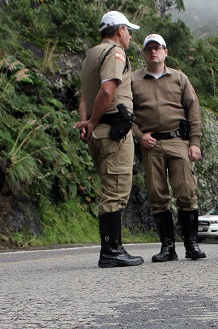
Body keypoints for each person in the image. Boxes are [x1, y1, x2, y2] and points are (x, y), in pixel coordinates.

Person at [73, 11, 143, 268]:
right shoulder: (115, 52)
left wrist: (87, 123)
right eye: (129, 31)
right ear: (119, 30)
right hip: (113, 131)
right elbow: (106, 89)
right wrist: (91, 122)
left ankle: (113, 248)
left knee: (108, 187)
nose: (130, 36)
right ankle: (111, 250)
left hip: (98, 132)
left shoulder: (91, 54)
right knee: (115, 191)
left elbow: (84, 97)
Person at [131, 34, 206, 262]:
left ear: (165, 52)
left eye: (158, 48)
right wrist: (139, 136)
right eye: (149, 49)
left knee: (186, 192)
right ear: (144, 54)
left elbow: (193, 109)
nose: (154, 52)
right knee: (157, 194)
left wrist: (194, 142)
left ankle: (192, 244)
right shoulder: (132, 80)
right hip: (150, 143)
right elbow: (125, 113)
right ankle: (167, 247)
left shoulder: (180, 78)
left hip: (178, 141)